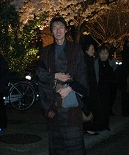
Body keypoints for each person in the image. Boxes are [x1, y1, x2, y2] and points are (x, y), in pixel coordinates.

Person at [37, 17, 88, 155]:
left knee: (74, 143)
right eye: (54, 27)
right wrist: (54, 76)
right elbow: (40, 74)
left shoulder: (76, 50)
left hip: (71, 104)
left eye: (61, 27)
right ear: (52, 31)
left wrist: (70, 88)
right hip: (53, 104)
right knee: (56, 144)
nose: (58, 30)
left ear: (66, 30)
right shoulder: (46, 52)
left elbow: (82, 74)